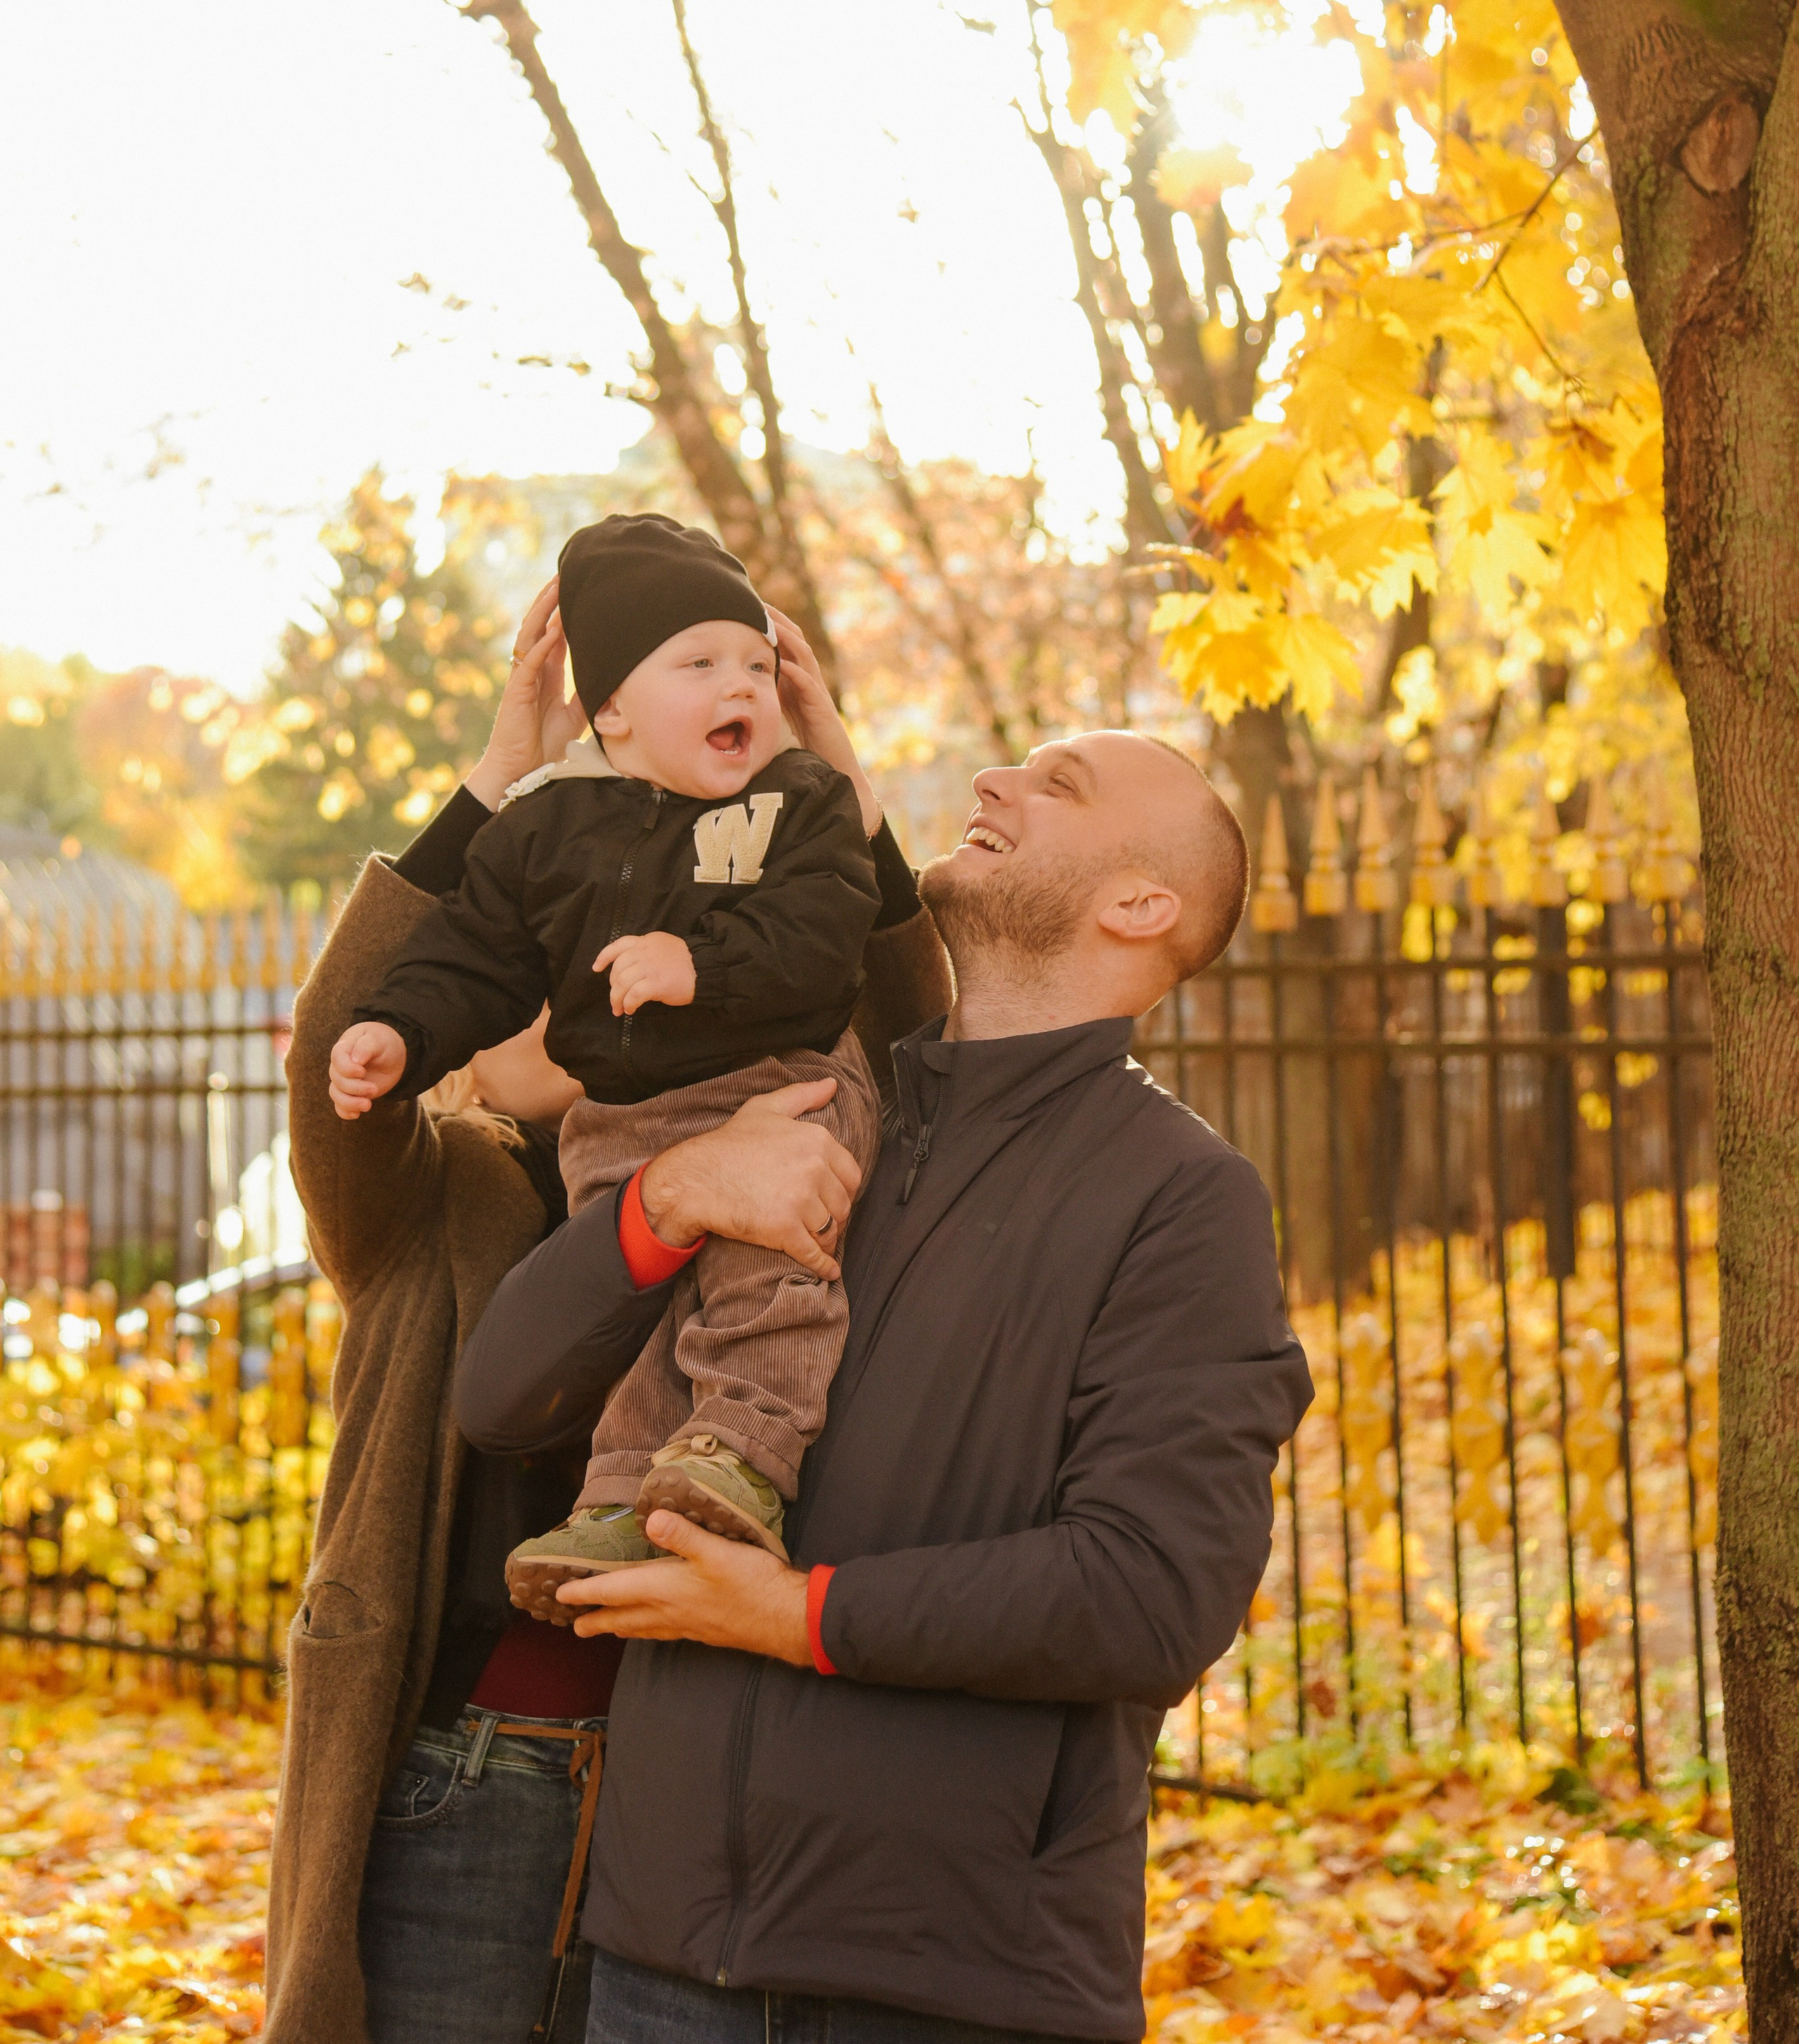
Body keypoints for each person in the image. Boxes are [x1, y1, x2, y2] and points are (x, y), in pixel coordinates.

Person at [457, 724, 1316, 2044]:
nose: (993, 781)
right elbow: (501, 1402)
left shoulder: (1182, 1198)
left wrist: (794, 1616)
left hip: (953, 1981)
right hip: (656, 1959)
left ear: (1142, 905)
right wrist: (670, 1196)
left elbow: (1153, 1592)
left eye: (1058, 784)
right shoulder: (795, 1102)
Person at [262, 582, 950, 2044]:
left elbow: (906, 1024)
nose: (576, 977)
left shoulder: (769, 1132)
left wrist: (832, 773)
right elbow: (345, 1046)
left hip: (700, 1770)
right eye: (537, 962)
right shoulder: (430, 1193)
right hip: (467, 1767)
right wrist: (501, 773)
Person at [327, 515, 885, 1598]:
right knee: (640, 1320)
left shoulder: (798, 803)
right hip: (623, 1120)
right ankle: (625, 1494)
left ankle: (745, 1449)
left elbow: (830, 936)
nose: (740, 684)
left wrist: (698, 964)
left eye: (757, 665)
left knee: (763, 1269)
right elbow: (473, 953)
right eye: (699, 663)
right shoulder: (546, 829)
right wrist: (400, 1029)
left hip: (782, 1083)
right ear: (610, 710)